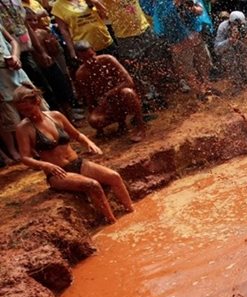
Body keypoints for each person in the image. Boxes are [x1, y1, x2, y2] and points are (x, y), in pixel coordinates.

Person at [13, 83, 133, 223]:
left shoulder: (55, 116)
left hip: (78, 162)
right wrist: (46, 166)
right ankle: (113, 222)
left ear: (37, 102)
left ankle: (132, 212)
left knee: (114, 176)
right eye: (22, 111)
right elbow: (25, 158)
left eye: (29, 109)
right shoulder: (23, 128)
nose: (27, 114)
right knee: (92, 185)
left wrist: (89, 143)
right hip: (57, 173)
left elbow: (77, 135)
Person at [73, 41, 145, 141]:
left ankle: (140, 126)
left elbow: (129, 82)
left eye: (91, 56)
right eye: (85, 59)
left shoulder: (108, 60)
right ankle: (121, 123)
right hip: (106, 103)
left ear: (94, 51)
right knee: (94, 121)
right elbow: (89, 99)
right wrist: (99, 129)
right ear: (79, 59)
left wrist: (112, 92)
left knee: (128, 93)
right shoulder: (81, 74)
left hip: (121, 96)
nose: (90, 61)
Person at [144, 0, 214, 98]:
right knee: (187, 69)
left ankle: (207, 86)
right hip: (178, 41)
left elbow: (200, 10)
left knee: (204, 61)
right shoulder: (163, 4)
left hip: (195, 36)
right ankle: (198, 93)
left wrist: (191, 7)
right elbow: (161, 20)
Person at [214, 11, 247, 88]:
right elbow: (217, 49)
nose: (238, 28)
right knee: (237, 87)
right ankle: (235, 80)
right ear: (229, 23)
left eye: (241, 25)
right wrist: (230, 40)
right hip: (231, 62)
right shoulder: (223, 27)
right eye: (235, 25)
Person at [51, 0, 115, 66]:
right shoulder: (57, 6)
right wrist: (72, 51)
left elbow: (105, 16)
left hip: (105, 40)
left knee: (116, 69)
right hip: (85, 49)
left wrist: (96, 3)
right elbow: (64, 31)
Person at [0, 24, 30, 163]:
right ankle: (15, 150)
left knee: (29, 104)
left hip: (14, 71)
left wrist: (16, 56)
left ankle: (34, 143)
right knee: (9, 117)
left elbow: (13, 41)